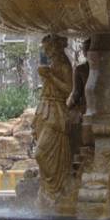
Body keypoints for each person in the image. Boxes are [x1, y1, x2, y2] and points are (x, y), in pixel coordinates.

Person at [33, 35, 73, 202]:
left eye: (48, 47)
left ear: (56, 47)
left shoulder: (64, 65)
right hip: (45, 110)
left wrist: (50, 76)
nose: (46, 51)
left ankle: (55, 187)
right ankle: (48, 189)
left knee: (40, 153)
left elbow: (68, 89)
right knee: (42, 152)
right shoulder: (54, 64)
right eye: (45, 48)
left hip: (55, 112)